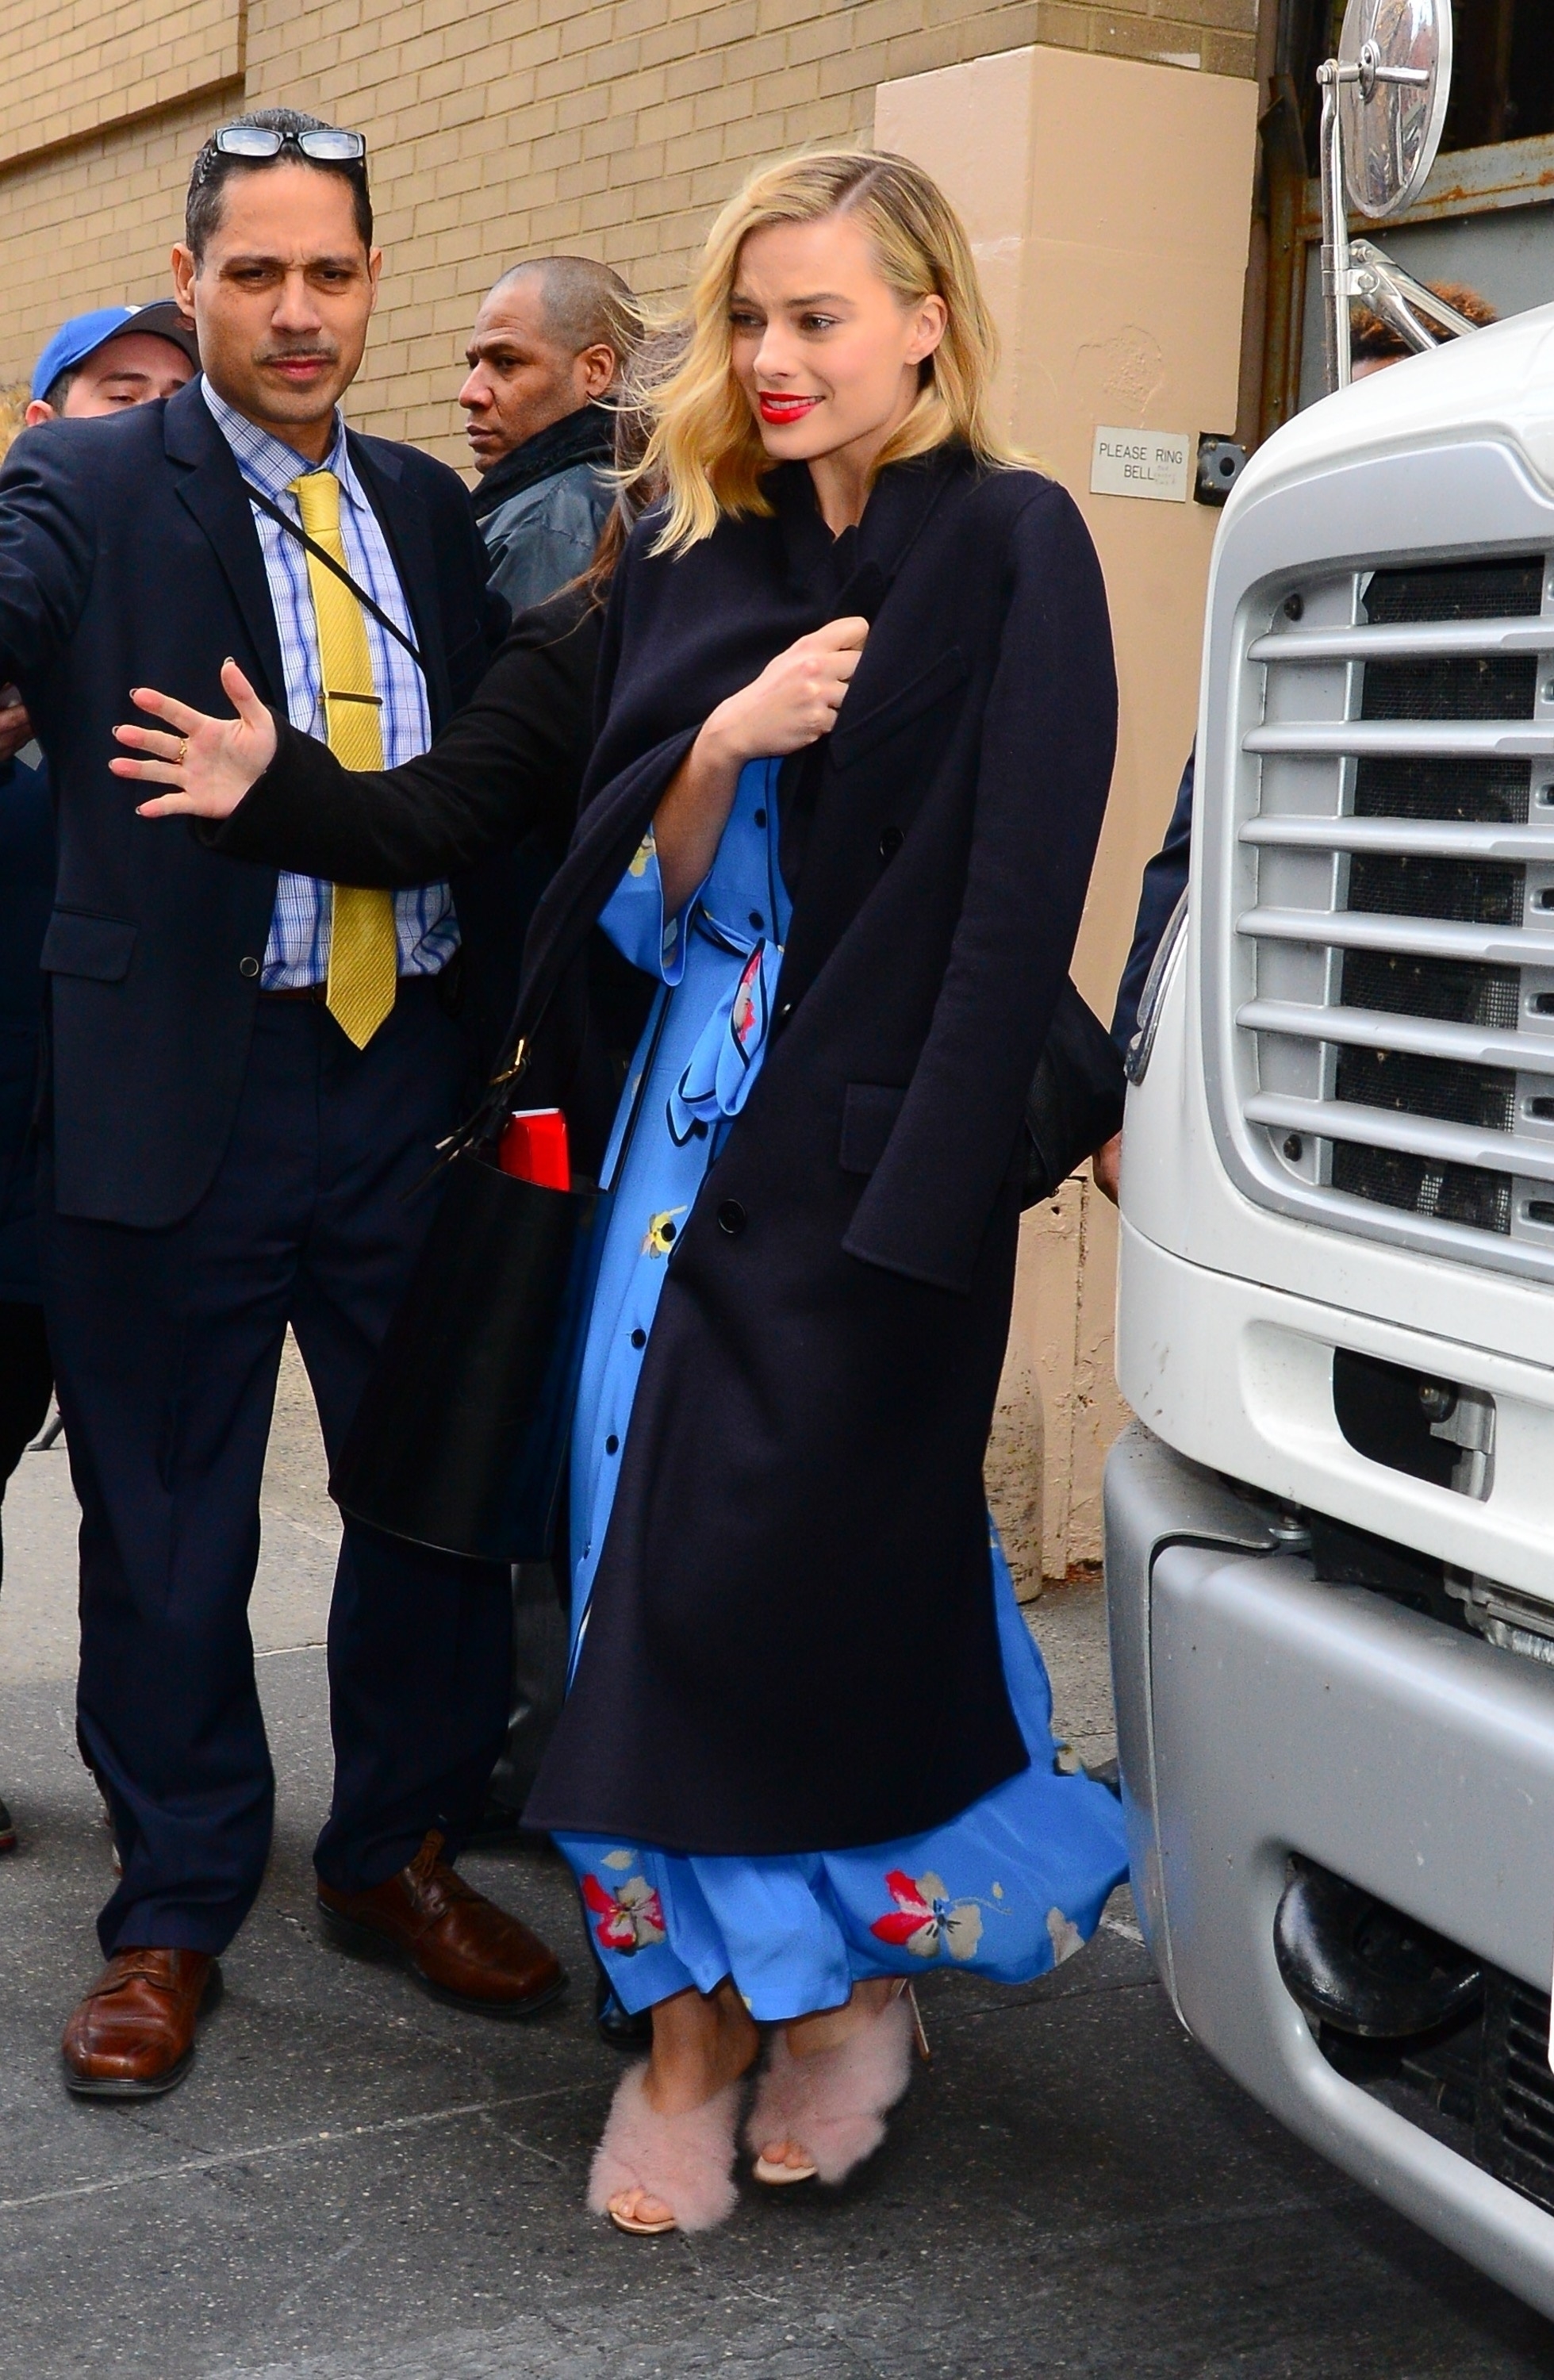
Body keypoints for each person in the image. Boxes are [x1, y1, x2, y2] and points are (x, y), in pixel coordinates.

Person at [125, 145, 1132, 2230]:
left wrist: (922, 1213)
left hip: (875, 1166)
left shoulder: (1013, 543)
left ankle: (819, 1999)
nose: (769, 357)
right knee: (631, 1572)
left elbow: (1015, 900)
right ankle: (707, 2016)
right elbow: (607, 866)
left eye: (816, 317)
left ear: (925, 320)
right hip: (680, 1129)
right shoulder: (685, 548)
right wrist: (716, 744)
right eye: (745, 319)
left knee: (800, 1587)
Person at [0, 104, 565, 2102]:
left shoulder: (421, 506)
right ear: (189, 280)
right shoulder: (82, 479)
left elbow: (497, 769)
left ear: (376, 280)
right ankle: (171, 1908)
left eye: (331, 272)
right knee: (168, 1523)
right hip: (182, 1082)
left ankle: (392, 1848)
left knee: (431, 1500)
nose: (298, 310)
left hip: (408, 1080)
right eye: (255, 273)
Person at [1090, 278, 1501, 1207]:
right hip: (1305, 1082)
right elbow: (1192, 864)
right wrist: (1131, 1081)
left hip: (1485, 1095)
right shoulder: (1298, 623)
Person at [0, 306, 201, 1858]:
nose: (143, 423)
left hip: (143, 1159)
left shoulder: (190, 619)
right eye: (114, 393)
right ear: (41, 420)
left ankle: (165, 1811)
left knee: (151, 1512)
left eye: (168, 402)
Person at [462, 256, 639, 615]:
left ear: (596, 370)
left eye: (506, 362)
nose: (470, 393)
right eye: (474, 364)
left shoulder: (550, 523)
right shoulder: (626, 492)